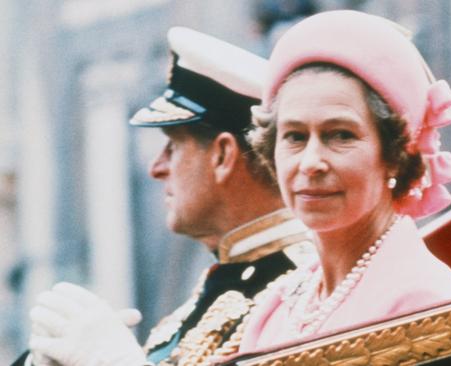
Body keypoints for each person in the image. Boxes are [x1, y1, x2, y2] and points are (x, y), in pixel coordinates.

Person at [18, 27, 314, 366]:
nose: (156, 168)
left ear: (222, 155)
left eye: (172, 147)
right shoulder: (211, 294)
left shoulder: (304, 292)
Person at [226, 10, 451, 353]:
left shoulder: (420, 301)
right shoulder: (279, 304)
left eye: (340, 135)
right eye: (294, 137)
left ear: (396, 153)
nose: (311, 163)